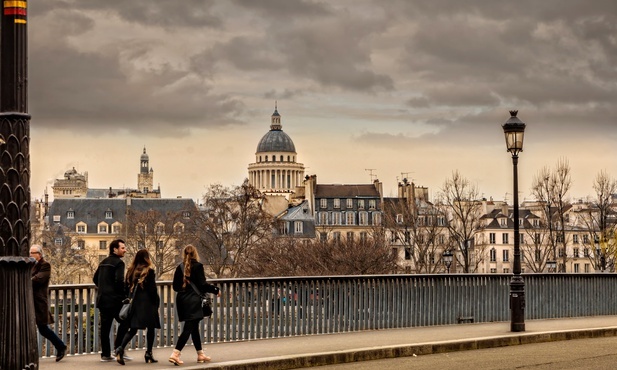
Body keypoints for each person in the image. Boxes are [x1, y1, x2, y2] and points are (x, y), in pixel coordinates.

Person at [168, 245, 220, 365]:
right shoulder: (198, 266)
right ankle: (175, 353)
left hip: (182, 300)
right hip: (194, 301)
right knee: (189, 327)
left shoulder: (179, 267)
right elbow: (202, 285)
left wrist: (184, 285)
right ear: (195, 254)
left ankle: (200, 354)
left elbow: (176, 287)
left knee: (193, 327)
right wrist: (216, 290)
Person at [115, 249, 161, 365]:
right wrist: (156, 303)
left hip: (135, 303)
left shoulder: (130, 271)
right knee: (151, 328)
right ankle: (148, 353)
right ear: (147, 258)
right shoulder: (149, 271)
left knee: (133, 329)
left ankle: (120, 348)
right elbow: (152, 290)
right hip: (148, 304)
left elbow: (126, 288)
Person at [93, 239, 131, 362]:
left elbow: (95, 278)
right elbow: (119, 281)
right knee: (126, 322)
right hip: (115, 300)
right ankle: (119, 348)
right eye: (122, 248)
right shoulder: (119, 263)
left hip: (103, 299)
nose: (125, 250)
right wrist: (124, 295)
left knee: (105, 327)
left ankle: (105, 354)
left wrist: (103, 287)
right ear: (115, 249)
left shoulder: (103, 262)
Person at [30, 244, 67, 362]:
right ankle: (60, 346)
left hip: (38, 301)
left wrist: (25, 280)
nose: (30, 255)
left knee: (43, 328)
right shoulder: (30, 265)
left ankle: (61, 346)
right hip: (30, 300)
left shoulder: (45, 265)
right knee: (37, 328)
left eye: (32, 253)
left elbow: (38, 279)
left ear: (39, 255)